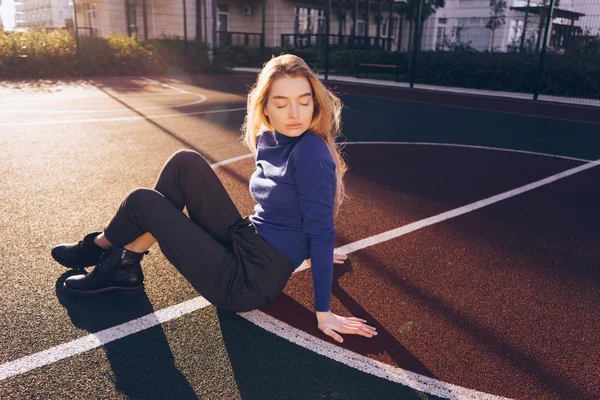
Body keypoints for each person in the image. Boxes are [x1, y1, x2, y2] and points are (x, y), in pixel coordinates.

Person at [51, 54, 377, 343]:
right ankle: (123, 264)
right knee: (185, 163)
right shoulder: (269, 139)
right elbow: (290, 207)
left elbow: (320, 230)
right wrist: (304, 246)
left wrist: (324, 312)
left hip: (248, 282)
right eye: (281, 103)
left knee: (143, 202)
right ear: (264, 106)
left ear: (314, 103)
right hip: (246, 240)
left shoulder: (310, 151)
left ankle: (101, 249)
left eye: (304, 101)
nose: (295, 113)